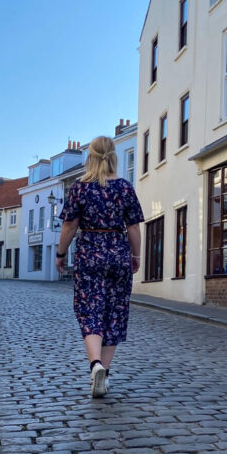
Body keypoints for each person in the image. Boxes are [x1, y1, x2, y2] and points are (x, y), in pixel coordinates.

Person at [56, 135, 144, 397]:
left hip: (89, 254)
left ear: (90, 157)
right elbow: (134, 227)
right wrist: (136, 255)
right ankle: (103, 373)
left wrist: (61, 254)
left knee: (90, 309)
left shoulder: (80, 188)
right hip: (118, 254)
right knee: (114, 313)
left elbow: (69, 225)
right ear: (114, 156)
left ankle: (95, 365)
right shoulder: (125, 188)